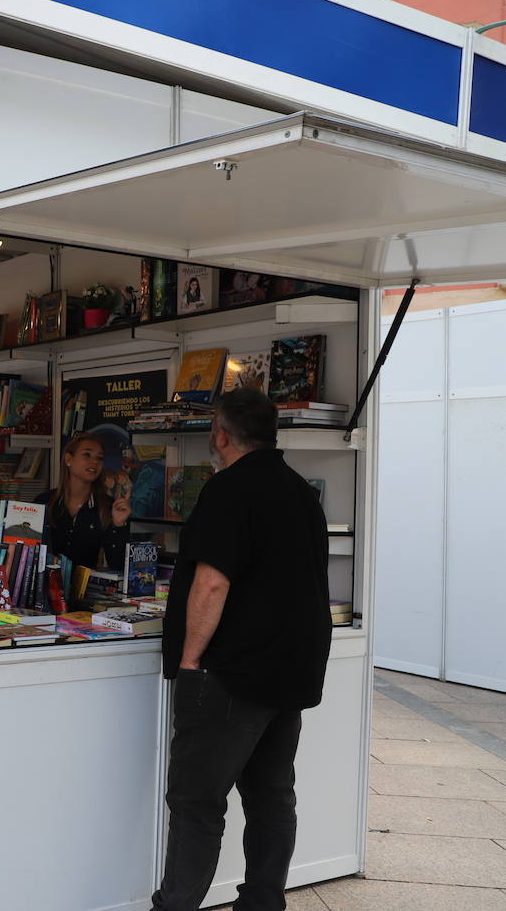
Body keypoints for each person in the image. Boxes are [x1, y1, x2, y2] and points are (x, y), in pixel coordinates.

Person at [151, 389, 331, 911]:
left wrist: (189, 660)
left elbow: (212, 584)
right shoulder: (302, 493)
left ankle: (176, 905)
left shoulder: (228, 490)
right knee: (272, 796)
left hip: (230, 674)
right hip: (289, 672)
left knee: (195, 802)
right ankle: (263, 902)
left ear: (221, 435)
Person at [35, 432, 130, 569]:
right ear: (69, 459)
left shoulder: (109, 506)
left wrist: (118, 525)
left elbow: (118, 565)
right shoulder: (44, 502)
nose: (95, 462)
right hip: (45, 587)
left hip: (87, 589)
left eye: (100, 458)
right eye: (87, 455)